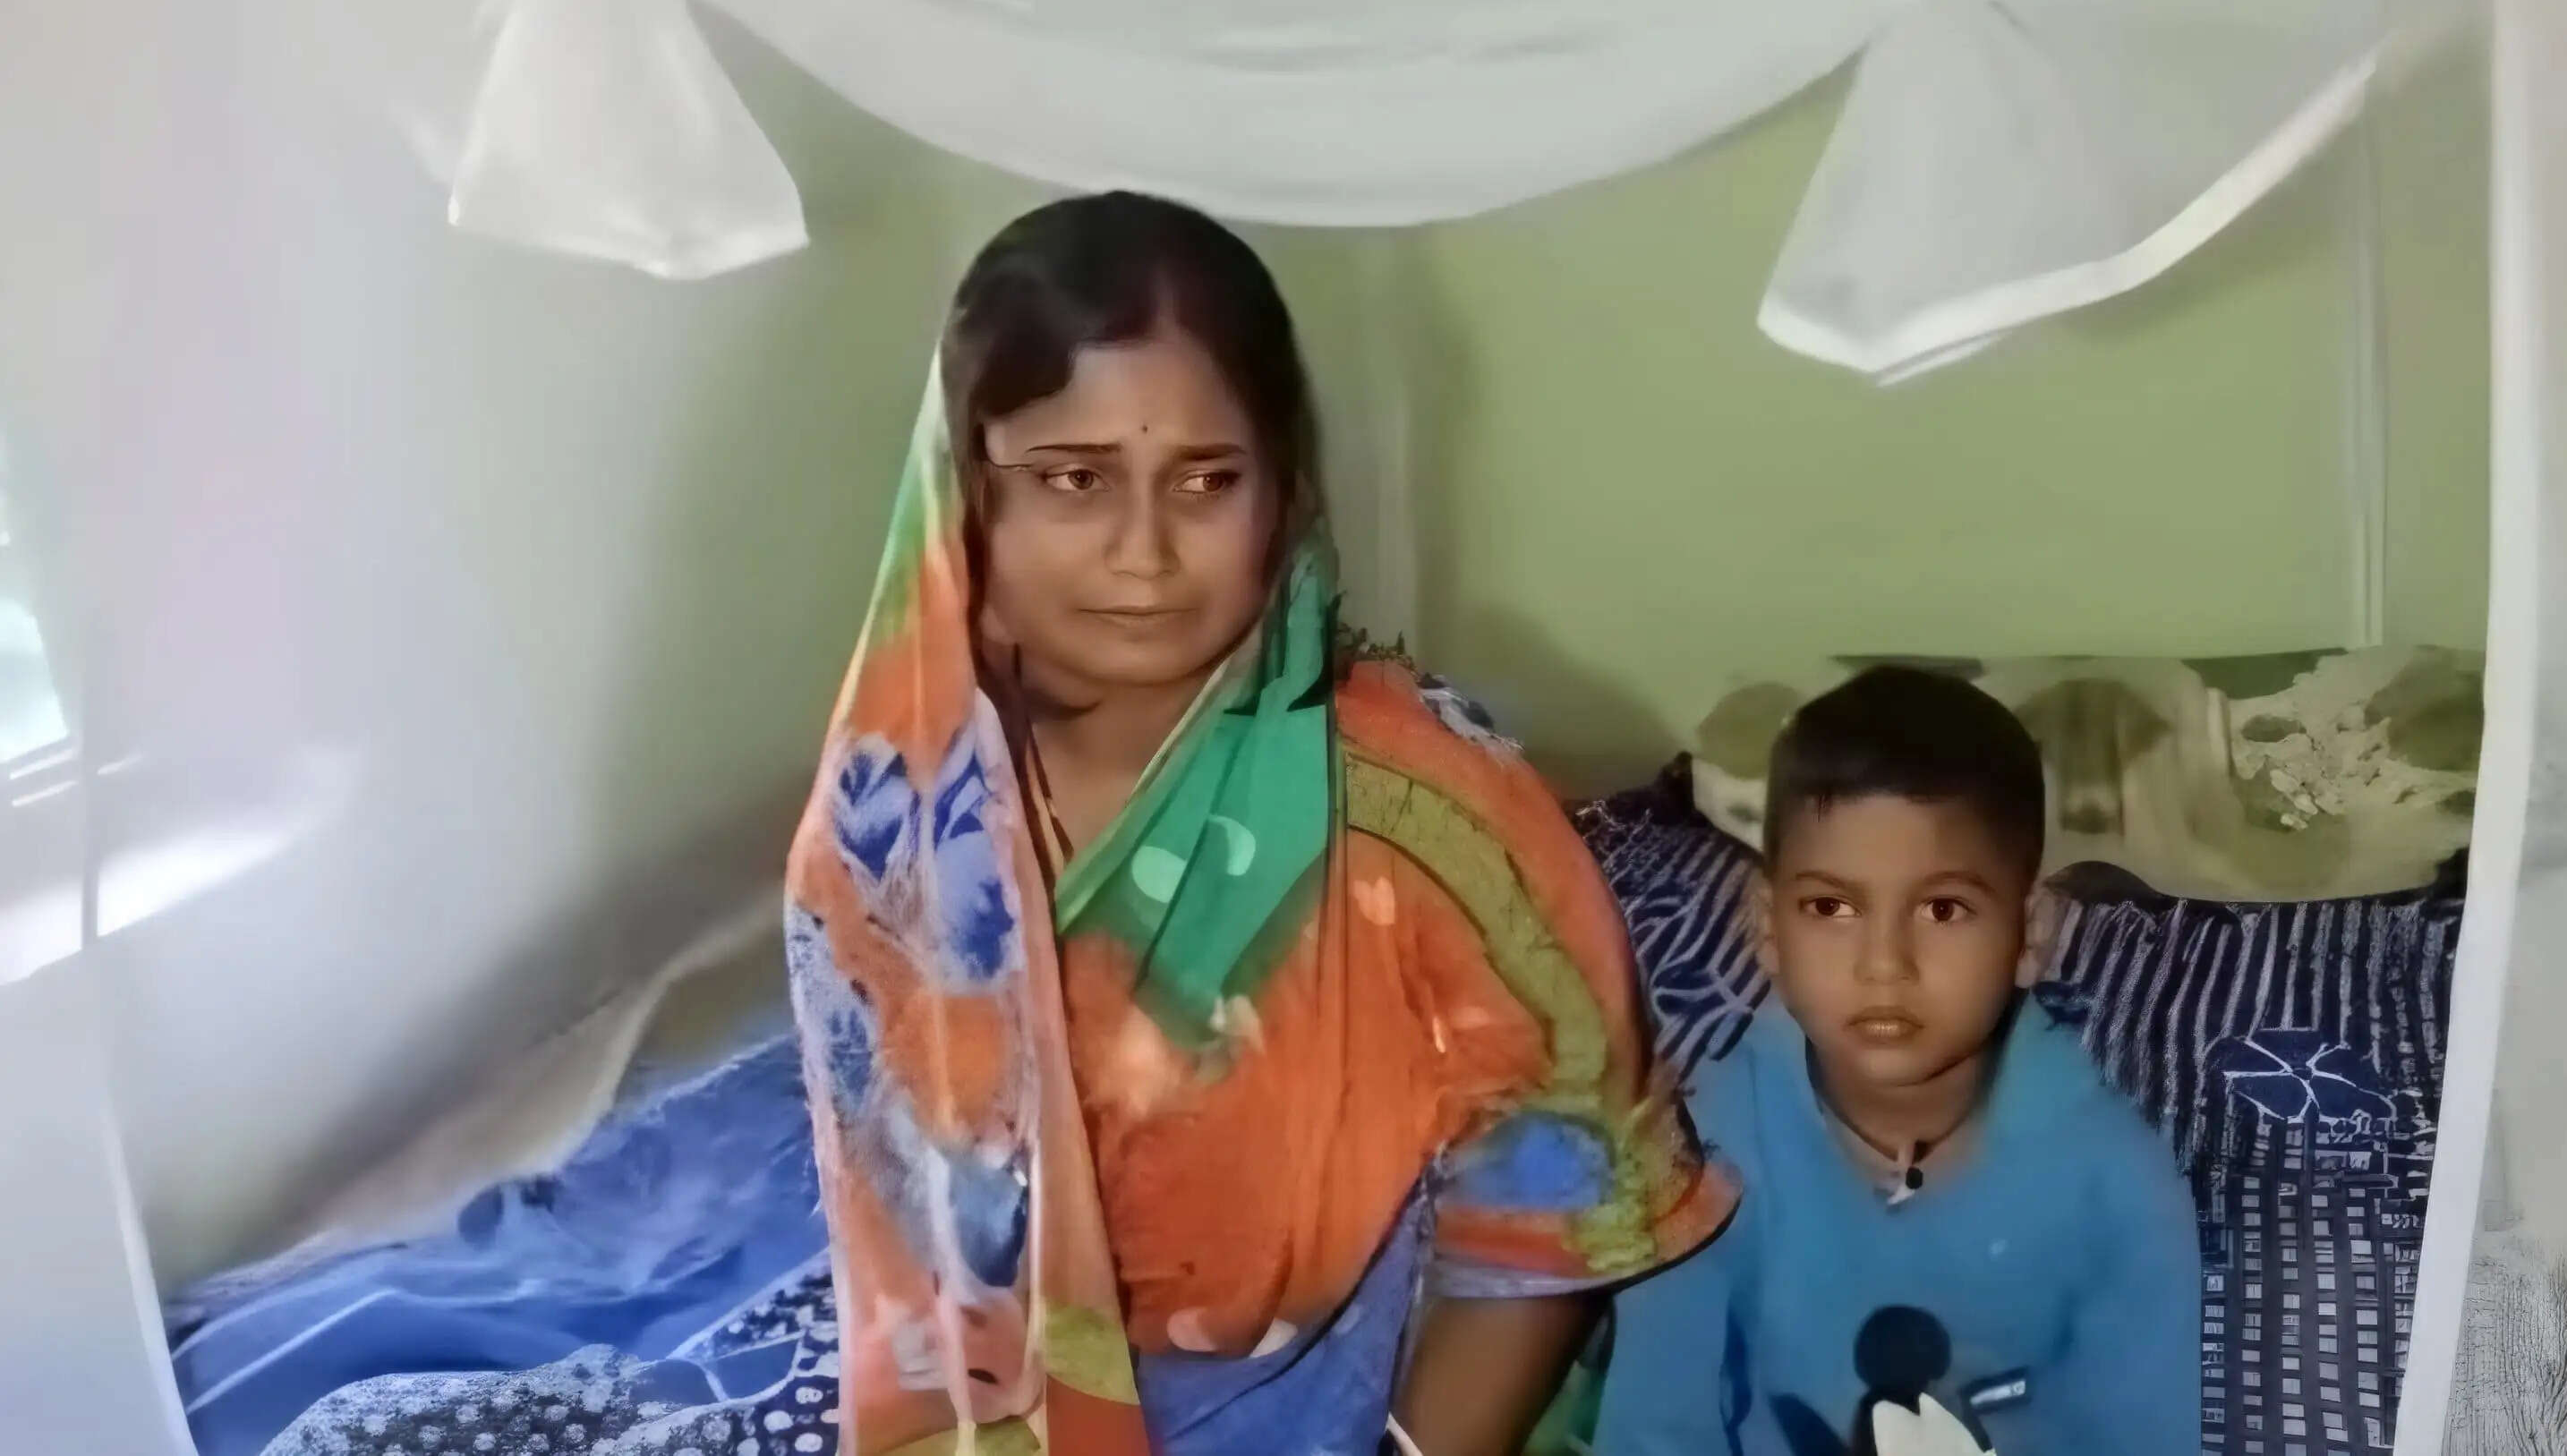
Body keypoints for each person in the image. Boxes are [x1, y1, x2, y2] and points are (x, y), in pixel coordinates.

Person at [783, 192, 1734, 1456]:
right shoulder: (886, 827)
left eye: (1205, 480)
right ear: (968, 493)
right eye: (1073, 480)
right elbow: (910, 1227)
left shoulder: (1419, 807)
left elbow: (1557, 1204)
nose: (1143, 553)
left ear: (1283, 491)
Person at [1593, 667, 2199, 1456]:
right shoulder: (1707, 1151)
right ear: (1768, 928)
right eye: (1831, 907)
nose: (1885, 964)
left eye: (1943, 909)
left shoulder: (2117, 1188)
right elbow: (1655, 1430)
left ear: (2030, 936)